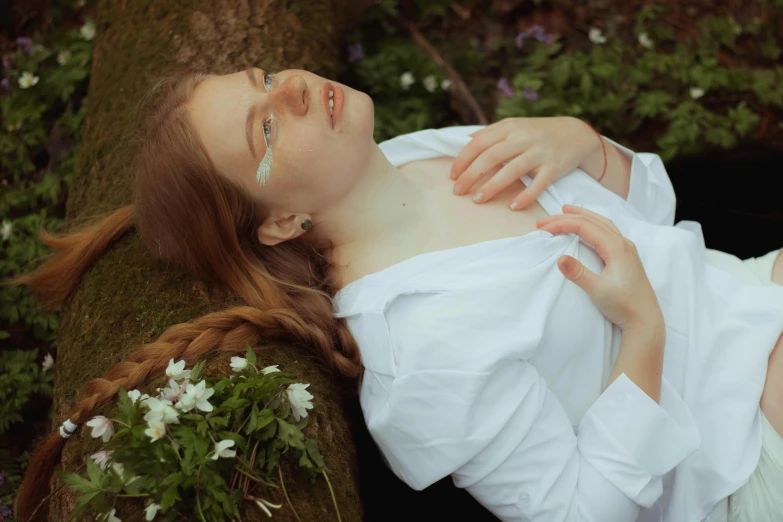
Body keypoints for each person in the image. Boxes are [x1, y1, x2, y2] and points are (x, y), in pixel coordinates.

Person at [8, 68, 783, 522]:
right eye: (266, 131)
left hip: (742, 293)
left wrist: (579, 139)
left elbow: (652, 217)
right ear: (282, 221)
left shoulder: (424, 157)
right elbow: (580, 511)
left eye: (269, 80)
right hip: (728, 435)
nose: (297, 92)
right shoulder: (420, 353)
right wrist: (640, 334)